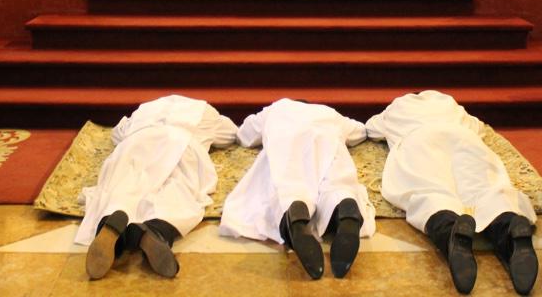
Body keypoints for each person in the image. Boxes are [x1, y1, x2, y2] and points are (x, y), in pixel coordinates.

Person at [366, 91, 538, 295]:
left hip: (420, 139)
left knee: (428, 190)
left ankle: (452, 231)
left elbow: (370, 129)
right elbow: (479, 128)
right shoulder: (452, 106)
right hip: (462, 137)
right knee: (484, 186)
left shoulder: (395, 110)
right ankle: (509, 225)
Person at [76, 95, 237, 280]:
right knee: (178, 189)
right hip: (180, 143)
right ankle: (157, 229)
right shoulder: (205, 111)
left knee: (122, 184)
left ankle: (110, 223)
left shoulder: (143, 110)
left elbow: (117, 133)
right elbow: (230, 135)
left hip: (136, 140)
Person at [219, 98, 375, 280]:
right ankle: (344, 204)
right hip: (325, 138)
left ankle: (294, 210)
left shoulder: (275, 108)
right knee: (335, 175)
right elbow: (360, 132)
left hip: (285, 142)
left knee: (283, 180)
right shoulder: (328, 112)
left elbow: (245, 135)